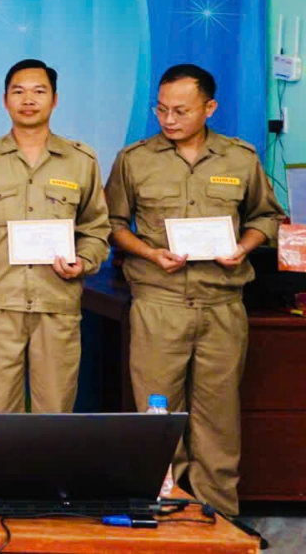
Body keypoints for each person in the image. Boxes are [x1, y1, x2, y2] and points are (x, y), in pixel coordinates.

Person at [104, 64, 284, 515]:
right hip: (159, 305)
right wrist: (149, 253)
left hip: (221, 305)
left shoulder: (240, 158)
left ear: (209, 108)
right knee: (157, 417)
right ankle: (164, 514)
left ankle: (218, 519)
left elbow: (266, 217)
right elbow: (112, 224)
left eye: (181, 111)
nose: (168, 119)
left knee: (217, 419)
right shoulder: (134, 159)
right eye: (161, 109)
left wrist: (243, 247)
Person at [0, 59, 110, 438]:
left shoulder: (80, 161)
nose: (28, 100)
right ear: (5, 99)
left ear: (55, 100)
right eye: (18, 92)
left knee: (54, 415)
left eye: (39, 91)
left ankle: (48, 481)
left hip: (56, 302)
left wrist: (83, 261)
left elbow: (96, 228)